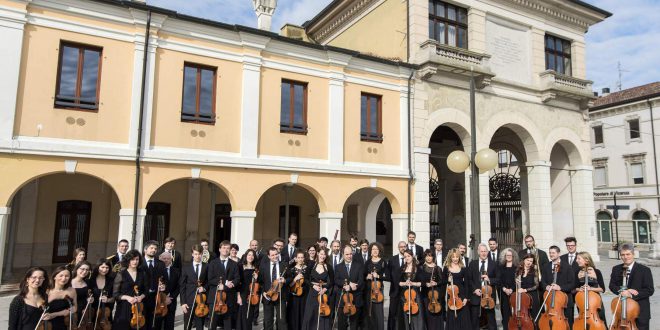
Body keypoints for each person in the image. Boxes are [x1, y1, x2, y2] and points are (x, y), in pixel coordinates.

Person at [609, 243, 655, 330]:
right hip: (622, 310)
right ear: (620, 255)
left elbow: (649, 290)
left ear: (633, 254)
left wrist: (630, 294)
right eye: (623, 255)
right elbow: (612, 286)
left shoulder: (644, 270)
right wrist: (623, 291)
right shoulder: (616, 269)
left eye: (628, 254)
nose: (625, 257)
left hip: (640, 312)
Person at [207, 240, 240, 330]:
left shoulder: (234, 264)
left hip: (229, 296)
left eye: (228, 248)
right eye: (224, 248)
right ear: (219, 249)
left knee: (227, 321)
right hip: (215, 297)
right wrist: (225, 282)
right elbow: (210, 279)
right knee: (213, 321)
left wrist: (231, 284)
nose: (226, 250)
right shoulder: (213, 263)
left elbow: (237, 279)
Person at [112, 249, 147, 328]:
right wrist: (127, 298)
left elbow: (146, 290)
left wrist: (141, 297)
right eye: (132, 259)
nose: (135, 262)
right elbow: (115, 294)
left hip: (138, 308)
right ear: (128, 260)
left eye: (137, 259)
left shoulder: (142, 273)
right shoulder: (121, 274)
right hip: (124, 308)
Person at [468, 243, 498, 330]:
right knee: (474, 320)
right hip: (475, 296)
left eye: (485, 251)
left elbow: (499, 279)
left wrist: (489, 279)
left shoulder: (494, 264)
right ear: (478, 252)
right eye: (481, 251)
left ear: (488, 252)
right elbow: (469, 279)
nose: (483, 253)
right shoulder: (472, 264)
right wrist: (474, 290)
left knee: (491, 320)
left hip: (489, 297)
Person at [540, 246, 574, 323]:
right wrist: (546, 286)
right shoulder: (546, 266)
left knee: (567, 324)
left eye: (553, 253)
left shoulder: (567, 267)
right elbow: (542, 281)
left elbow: (572, 284)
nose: (551, 254)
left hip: (564, 301)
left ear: (558, 253)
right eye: (550, 253)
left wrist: (560, 287)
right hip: (550, 299)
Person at [301, 248, 333, 330]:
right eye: (321, 254)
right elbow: (306, 279)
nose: (323, 256)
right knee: (311, 314)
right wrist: (313, 286)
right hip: (312, 293)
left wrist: (325, 289)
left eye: (324, 254)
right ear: (318, 253)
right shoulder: (311, 265)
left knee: (323, 316)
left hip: (323, 295)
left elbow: (332, 281)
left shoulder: (329, 267)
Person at [259, 247, 290, 330]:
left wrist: (285, 280)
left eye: (276, 254)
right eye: (272, 255)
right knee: (268, 320)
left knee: (282, 320)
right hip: (268, 295)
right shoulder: (263, 266)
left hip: (280, 296)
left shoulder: (284, 265)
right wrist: (263, 292)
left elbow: (290, 278)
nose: (275, 256)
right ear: (268, 256)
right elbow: (260, 282)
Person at [574, 251, 607, 327]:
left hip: (595, 303)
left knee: (601, 322)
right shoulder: (577, 272)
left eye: (579, 259)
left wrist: (591, 288)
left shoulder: (597, 272)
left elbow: (602, 289)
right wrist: (579, 289)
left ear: (587, 260)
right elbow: (574, 288)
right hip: (582, 302)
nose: (576, 260)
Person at [335, 245, 364, 330]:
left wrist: (351, 287)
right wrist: (347, 284)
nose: (349, 256)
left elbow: (361, 281)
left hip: (356, 299)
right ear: (343, 255)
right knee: (341, 325)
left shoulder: (359, 266)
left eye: (351, 254)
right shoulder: (338, 267)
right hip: (342, 301)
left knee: (354, 325)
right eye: (347, 254)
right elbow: (336, 280)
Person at [180, 245, 208, 330]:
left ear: (202, 254)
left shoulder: (206, 266)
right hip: (188, 300)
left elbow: (209, 282)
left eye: (199, 254)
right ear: (192, 254)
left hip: (201, 301)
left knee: (200, 326)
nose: (197, 256)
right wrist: (183, 303)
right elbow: (182, 285)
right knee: (187, 325)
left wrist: (204, 288)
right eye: (195, 254)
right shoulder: (186, 267)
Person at [141, 240, 166, 330]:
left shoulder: (161, 264)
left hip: (156, 298)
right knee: (142, 323)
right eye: (151, 248)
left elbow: (164, 279)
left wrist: (163, 286)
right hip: (142, 297)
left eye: (155, 248)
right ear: (145, 249)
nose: (153, 250)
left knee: (155, 323)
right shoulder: (139, 263)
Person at [443, 248, 470, 329]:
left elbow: (467, 284)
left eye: (457, 257)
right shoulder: (446, 268)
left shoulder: (463, 268)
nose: (455, 259)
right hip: (451, 295)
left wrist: (465, 297)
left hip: (461, 294)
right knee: (452, 316)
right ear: (450, 257)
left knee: (463, 316)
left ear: (459, 257)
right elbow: (442, 282)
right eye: (453, 257)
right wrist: (447, 280)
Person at [419, 249, 444, 330]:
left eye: (430, 256)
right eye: (427, 256)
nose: (429, 258)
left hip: (436, 294)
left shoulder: (437, 268)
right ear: (424, 257)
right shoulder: (421, 267)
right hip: (425, 294)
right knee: (427, 314)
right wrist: (426, 283)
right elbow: (419, 280)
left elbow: (441, 281)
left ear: (433, 257)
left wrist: (436, 283)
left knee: (436, 314)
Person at [155, 251, 180, 330]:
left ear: (171, 260)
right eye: (164, 258)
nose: (166, 260)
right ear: (160, 259)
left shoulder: (176, 271)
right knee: (157, 324)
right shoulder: (156, 270)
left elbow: (179, 286)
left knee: (169, 324)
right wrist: (164, 297)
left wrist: (171, 297)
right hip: (159, 301)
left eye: (168, 258)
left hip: (171, 301)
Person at [364, 242, 386, 330]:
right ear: (370, 251)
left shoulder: (383, 262)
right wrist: (367, 276)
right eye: (373, 249)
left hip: (378, 290)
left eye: (376, 249)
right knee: (370, 312)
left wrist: (379, 276)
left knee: (379, 312)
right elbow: (363, 274)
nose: (375, 251)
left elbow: (388, 277)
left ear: (379, 250)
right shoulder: (367, 262)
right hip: (369, 289)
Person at [385, 241, 407, 330]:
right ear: (398, 248)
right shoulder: (392, 259)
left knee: (404, 313)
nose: (403, 248)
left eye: (404, 246)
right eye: (401, 247)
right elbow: (388, 274)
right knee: (392, 313)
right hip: (394, 290)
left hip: (406, 291)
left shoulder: (409, 259)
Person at [237, 249, 259, 330]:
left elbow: (258, 283)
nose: (251, 257)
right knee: (242, 314)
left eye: (252, 255)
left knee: (249, 315)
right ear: (246, 256)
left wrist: (257, 278)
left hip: (252, 294)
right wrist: (238, 296)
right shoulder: (240, 266)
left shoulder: (256, 268)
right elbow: (238, 282)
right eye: (249, 255)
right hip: (243, 292)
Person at [497, 248, 518, 329]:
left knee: (514, 312)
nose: (508, 256)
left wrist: (512, 289)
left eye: (510, 255)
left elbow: (517, 280)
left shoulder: (517, 267)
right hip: (503, 292)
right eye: (507, 255)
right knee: (505, 312)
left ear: (513, 256)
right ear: (504, 256)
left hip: (514, 291)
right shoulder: (501, 267)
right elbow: (499, 280)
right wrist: (505, 289)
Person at [560, 236, 579, 328]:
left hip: (578, 290)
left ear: (575, 245)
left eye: (572, 245)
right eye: (568, 245)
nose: (570, 247)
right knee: (568, 314)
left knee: (581, 313)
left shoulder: (581, 257)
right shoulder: (562, 258)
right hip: (567, 291)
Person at [89, 260, 115, 324]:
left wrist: (108, 300)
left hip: (105, 312)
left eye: (107, 268)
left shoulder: (111, 281)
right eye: (102, 267)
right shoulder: (91, 280)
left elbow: (114, 297)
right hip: (92, 312)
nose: (104, 270)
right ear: (98, 267)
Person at [287, 250, 308, 330]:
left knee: (303, 312)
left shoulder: (307, 269)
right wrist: (295, 279)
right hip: (294, 294)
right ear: (295, 259)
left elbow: (309, 283)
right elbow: (289, 285)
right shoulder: (291, 270)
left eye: (302, 257)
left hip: (305, 295)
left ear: (304, 258)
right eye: (298, 257)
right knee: (294, 314)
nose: (300, 259)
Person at [516, 254, 540, 320]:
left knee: (534, 315)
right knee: (523, 314)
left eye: (531, 261)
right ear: (524, 260)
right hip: (522, 296)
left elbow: (536, 285)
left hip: (532, 296)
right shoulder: (519, 270)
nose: (529, 262)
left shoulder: (534, 271)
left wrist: (525, 290)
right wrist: (516, 281)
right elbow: (515, 282)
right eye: (527, 260)